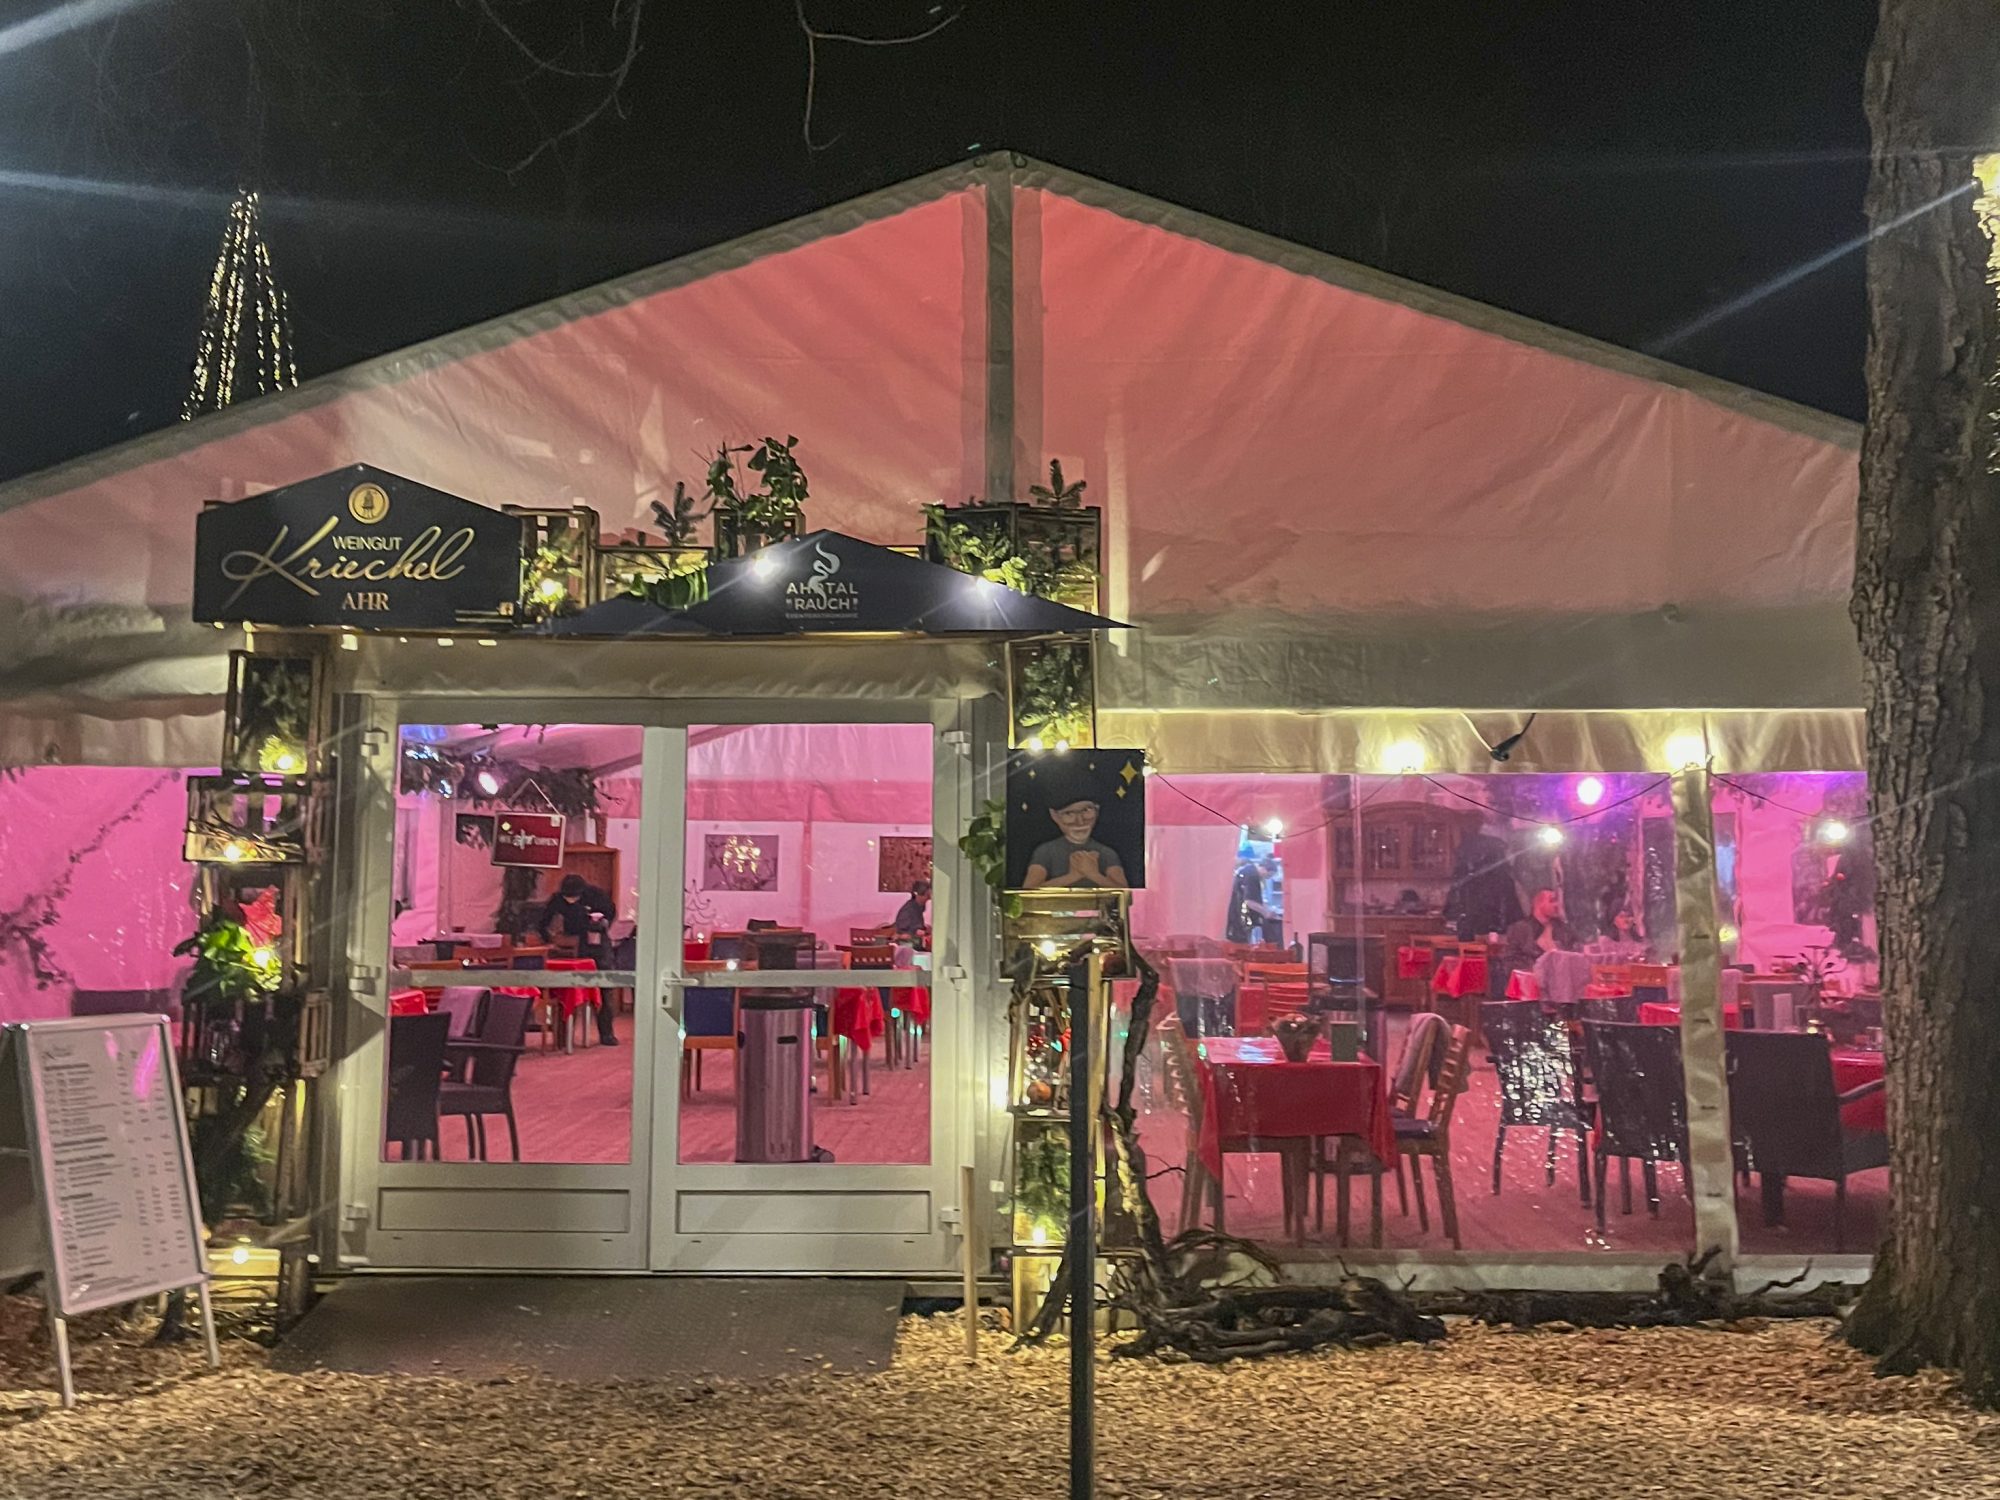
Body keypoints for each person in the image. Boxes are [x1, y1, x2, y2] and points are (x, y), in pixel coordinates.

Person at [537, 873, 619, 1045]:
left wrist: (604, 923)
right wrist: (549, 939)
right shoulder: (558, 899)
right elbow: (543, 922)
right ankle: (563, 1037)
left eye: (574, 897)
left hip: (598, 942)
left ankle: (607, 1034)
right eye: (567, 898)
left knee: (604, 987)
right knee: (567, 988)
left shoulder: (596, 895)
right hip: (572, 943)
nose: (570, 901)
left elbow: (611, 911)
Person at [1024, 793, 1129, 890]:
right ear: (1054, 816)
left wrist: (1093, 874)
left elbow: (1124, 892)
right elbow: (1029, 890)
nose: (1080, 821)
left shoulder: (1107, 852)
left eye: (1086, 810)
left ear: (1097, 811)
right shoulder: (1045, 851)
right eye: (1069, 813)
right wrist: (1073, 876)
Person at [1503, 887, 1576, 978]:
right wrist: (1535, 972)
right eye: (1552, 900)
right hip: (1530, 986)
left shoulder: (1564, 930)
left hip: (1561, 984)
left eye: (1557, 901)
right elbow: (1510, 963)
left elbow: (1575, 957)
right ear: (1538, 903)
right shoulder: (1520, 929)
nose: (1557, 904)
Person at [1224, 857, 1272, 944]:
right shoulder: (1252, 876)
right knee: (1240, 943)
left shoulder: (1249, 871)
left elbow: (1255, 898)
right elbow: (1250, 902)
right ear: (1264, 869)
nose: (1267, 878)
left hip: (1238, 915)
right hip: (1240, 917)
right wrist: (1265, 912)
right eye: (1269, 875)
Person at [893, 878, 931, 943]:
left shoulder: (918, 907)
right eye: (927, 895)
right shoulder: (908, 909)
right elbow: (902, 932)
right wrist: (916, 932)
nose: (928, 898)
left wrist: (926, 928)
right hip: (907, 944)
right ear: (918, 895)